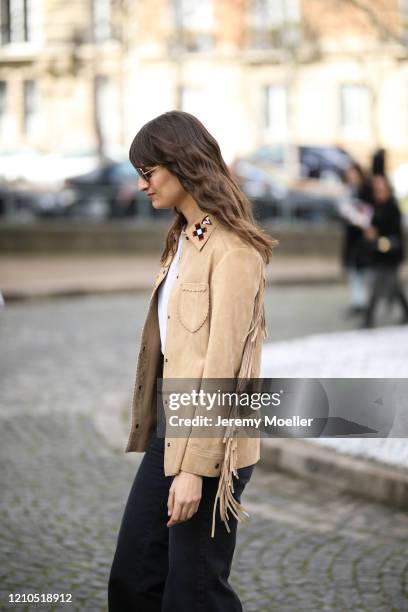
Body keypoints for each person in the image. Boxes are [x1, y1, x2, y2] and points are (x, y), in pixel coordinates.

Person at [108, 110, 277, 611]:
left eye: (148, 171)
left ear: (181, 163)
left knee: (195, 594)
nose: (142, 185)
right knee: (134, 580)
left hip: (213, 447)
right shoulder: (185, 238)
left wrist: (194, 471)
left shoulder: (235, 250)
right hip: (171, 433)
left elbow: (223, 370)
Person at [362, 175, 408, 328]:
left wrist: (378, 238)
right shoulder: (374, 208)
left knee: (392, 286)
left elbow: (395, 237)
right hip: (377, 255)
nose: (379, 193)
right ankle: (369, 318)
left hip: (390, 255)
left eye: (381, 190)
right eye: (377, 190)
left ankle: (369, 318)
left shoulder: (393, 209)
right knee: (378, 286)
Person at [338, 162, 374, 317]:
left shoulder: (366, 192)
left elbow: (368, 215)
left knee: (363, 270)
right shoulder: (348, 192)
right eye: (349, 175)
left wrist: (358, 218)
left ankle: (366, 303)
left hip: (363, 239)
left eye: (354, 174)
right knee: (352, 269)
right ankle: (358, 302)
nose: (352, 178)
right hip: (351, 238)